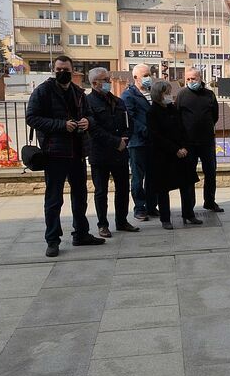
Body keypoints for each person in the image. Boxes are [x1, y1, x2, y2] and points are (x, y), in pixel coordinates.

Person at [26, 55, 105, 257]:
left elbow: (91, 116)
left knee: (80, 196)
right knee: (54, 199)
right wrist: (61, 125)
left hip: (77, 152)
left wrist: (87, 121)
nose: (62, 72)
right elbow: (32, 117)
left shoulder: (78, 92)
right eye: (58, 69)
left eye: (66, 69)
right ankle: (52, 240)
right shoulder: (43, 91)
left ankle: (81, 233)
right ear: (54, 70)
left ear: (73, 70)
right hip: (54, 153)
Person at [85, 67, 139, 238]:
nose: (108, 82)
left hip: (120, 153)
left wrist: (125, 141)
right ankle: (103, 224)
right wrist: (116, 142)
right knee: (101, 191)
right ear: (94, 83)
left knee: (123, 189)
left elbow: (128, 124)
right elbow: (93, 129)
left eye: (108, 79)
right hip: (100, 154)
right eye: (105, 80)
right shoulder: (88, 103)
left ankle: (122, 221)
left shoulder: (117, 101)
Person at [146, 80, 201, 229]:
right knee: (163, 189)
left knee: (186, 186)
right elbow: (156, 136)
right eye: (167, 93)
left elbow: (182, 129)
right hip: (164, 156)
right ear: (159, 95)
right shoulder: (152, 112)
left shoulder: (172, 108)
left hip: (181, 154)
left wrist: (184, 147)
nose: (170, 96)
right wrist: (175, 149)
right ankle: (165, 219)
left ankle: (189, 214)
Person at [176, 68, 223, 213]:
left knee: (210, 173)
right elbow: (177, 117)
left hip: (207, 141)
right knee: (189, 175)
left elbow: (215, 116)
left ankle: (209, 201)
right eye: (188, 79)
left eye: (193, 79)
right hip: (188, 143)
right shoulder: (181, 95)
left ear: (200, 78)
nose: (191, 81)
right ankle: (189, 206)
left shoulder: (209, 95)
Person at [122, 64, 158, 221]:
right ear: (135, 77)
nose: (148, 77)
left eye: (149, 74)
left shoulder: (154, 93)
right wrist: (146, 130)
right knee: (138, 177)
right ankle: (140, 208)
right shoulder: (128, 95)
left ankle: (152, 206)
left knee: (154, 176)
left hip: (154, 143)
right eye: (145, 75)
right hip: (138, 143)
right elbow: (130, 119)